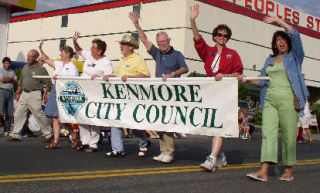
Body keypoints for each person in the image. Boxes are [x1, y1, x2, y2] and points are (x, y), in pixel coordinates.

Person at [241, 16, 309, 182]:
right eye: (278, 40)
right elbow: (261, 80)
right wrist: (245, 78)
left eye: (284, 39)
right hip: (269, 101)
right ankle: (264, 171)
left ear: (288, 42)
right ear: (275, 43)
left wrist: (279, 21)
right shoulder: (269, 60)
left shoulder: (295, 57)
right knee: (268, 135)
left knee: (288, 134)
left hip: (288, 100)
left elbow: (296, 34)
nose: (281, 42)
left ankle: (288, 169)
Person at [129, 11, 189, 163]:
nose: (162, 43)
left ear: (169, 40)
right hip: (159, 94)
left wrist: (172, 74)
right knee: (160, 122)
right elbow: (144, 40)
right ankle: (163, 151)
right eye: (160, 41)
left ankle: (169, 152)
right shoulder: (157, 53)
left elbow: (185, 68)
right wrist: (136, 23)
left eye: (164, 41)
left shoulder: (177, 54)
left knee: (167, 122)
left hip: (172, 93)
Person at [190, 4, 243, 171]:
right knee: (213, 125)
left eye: (225, 35)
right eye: (219, 34)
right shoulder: (208, 52)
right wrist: (192, 20)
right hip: (209, 91)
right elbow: (198, 40)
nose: (222, 37)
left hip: (225, 92)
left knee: (218, 125)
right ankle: (220, 155)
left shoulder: (233, 54)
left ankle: (212, 158)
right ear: (214, 36)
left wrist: (224, 76)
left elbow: (239, 74)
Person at [104, 34, 151, 158]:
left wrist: (132, 78)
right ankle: (117, 149)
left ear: (131, 47)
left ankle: (143, 143)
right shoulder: (120, 61)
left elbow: (146, 75)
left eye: (123, 44)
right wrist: (110, 76)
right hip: (120, 97)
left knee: (134, 124)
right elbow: (118, 75)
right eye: (121, 44)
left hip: (134, 97)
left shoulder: (138, 59)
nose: (121, 46)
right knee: (116, 121)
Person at [73, 32, 113, 152]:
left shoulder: (105, 61)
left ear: (99, 50)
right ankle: (85, 142)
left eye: (93, 47)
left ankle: (93, 144)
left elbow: (110, 75)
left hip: (96, 93)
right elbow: (79, 50)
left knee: (93, 117)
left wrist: (102, 76)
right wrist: (74, 41)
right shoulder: (89, 56)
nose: (91, 49)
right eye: (91, 46)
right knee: (81, 116)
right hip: (83, 90)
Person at [39, 39, 79, 149]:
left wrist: (60, 78)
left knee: (62, 118)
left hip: (65, 93)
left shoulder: (72, 67)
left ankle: (73, 134)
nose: (60, 54)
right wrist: (40, 47)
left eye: (62, 52)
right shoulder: (59, 64)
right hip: (55, 90)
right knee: (54, 117)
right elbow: (46, 59)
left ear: (67, 54)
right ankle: (56, 141)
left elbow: (73, 83)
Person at [7, 49, 53, 142]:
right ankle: (16, 135)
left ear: (36, 58)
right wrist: (17, 92)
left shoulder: (41, 69)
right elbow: (21, 82)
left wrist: (45, 93)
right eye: (27, 56)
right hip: (24, 93)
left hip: (35, 93)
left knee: (38, 114)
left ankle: (48, 134)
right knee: (18, 114)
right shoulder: (25, 67)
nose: (28, 58)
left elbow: (48, 82)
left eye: (30, 56)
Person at [0, 57, 17, 136]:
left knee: (9, 112)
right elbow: (2, 79)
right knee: (0, 110)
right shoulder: (1, 70)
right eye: (6, 63)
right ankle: (1, 128)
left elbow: (15, 81)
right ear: (3, 63)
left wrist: (9, 79)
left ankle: (7, 130)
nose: (8, 65)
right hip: (2, 91)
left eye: (9, 63)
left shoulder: (12, 71)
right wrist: (11, 78)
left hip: (10, 92)